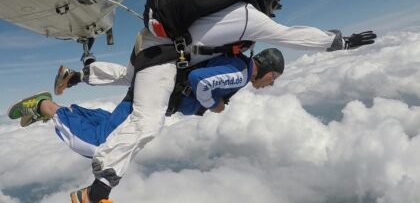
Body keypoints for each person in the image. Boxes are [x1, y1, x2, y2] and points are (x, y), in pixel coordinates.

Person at [54, 0, 376, 202]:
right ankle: (97, 190)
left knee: (130, 76)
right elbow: (291, 35)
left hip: (153, 45)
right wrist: (338, 42)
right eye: (274, 7)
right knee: (149, 120)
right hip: (164, 50)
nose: (273, 14)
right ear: (268, 2)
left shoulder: (226, 8)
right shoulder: (250, 16)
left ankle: (81, 74)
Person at [8, 48, 284, 203]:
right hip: (156, 98)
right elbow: (201, 80)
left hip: (156, 86)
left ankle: (69, 104)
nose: (269, 84)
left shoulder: (235, 61)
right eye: (273, 80)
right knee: (99, 145)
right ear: (270, 72)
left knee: (112, 130)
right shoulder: (240, 73)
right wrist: (214, 105)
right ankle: (43, 106)